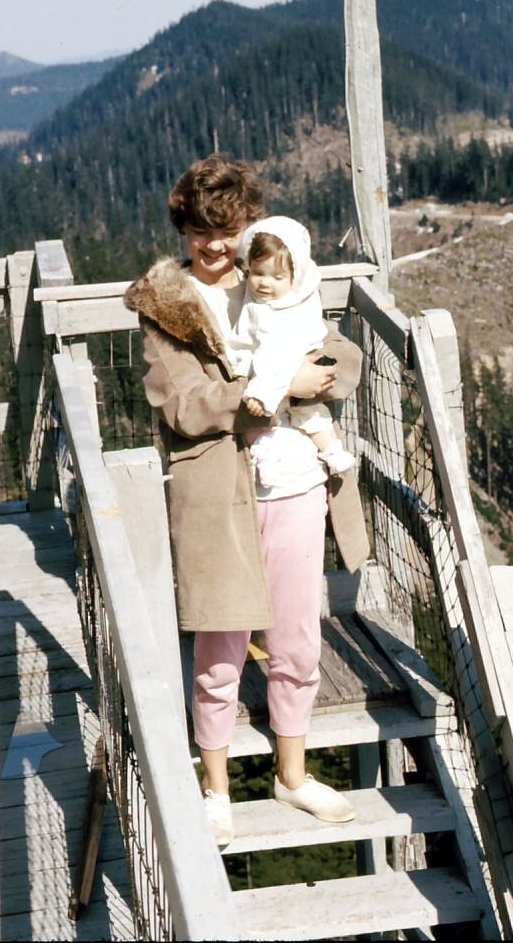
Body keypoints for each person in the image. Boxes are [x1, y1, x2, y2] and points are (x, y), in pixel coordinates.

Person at [124, 153, 370, 847]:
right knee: (220, 645)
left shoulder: (274, 273)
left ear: (247, 226)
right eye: (201, 231)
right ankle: (216, 789)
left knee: (297, 637)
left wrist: (321, 372)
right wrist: (274, 391)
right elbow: (181, 404)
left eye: (226, 230)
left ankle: (292, 775)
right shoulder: (166, 307)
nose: (214, 245)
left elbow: (340, 353)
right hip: (217, 493)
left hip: (294, 483)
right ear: (183, 229)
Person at [227, 215, 356, 487]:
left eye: (277, 277)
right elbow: (243, 340)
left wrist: (272, 385)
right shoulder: (253, 305)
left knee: (314, 414)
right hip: (265, 377)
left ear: (294, 277)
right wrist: (246, 372)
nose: (265, 283)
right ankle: (264, 459)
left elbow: (301, 340)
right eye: (258, 273)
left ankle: (331, 450)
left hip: (294, 371)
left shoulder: (298, 304)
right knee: (258, 425)